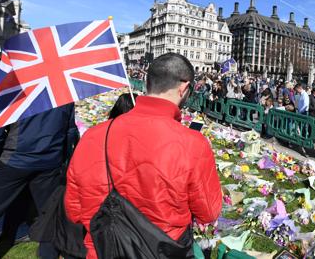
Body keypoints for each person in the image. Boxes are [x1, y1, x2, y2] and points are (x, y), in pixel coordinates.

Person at [65, 53, 222, 259]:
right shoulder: (193, 143)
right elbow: (208, 212)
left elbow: (74, 211)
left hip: (103, 248)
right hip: (164, 250)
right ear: (184, 88)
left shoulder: (94, 135)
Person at [0, 103, 79, 259]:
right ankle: (20, 236)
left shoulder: (17, 91)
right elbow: (70, 132)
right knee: (49, 215)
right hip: (41, 162)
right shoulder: (61, 93)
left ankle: (19, 235)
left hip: (21, 162)